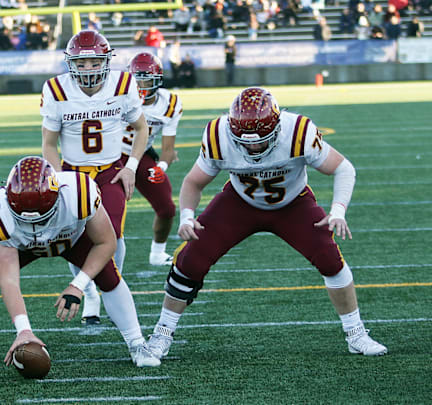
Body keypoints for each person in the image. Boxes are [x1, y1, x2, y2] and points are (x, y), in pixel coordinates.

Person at [146, 87, 388, 361]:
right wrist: (187, 216)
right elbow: (193, 182)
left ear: (276, 127)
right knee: (190, 260)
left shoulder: (298, 131)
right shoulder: (218, 135)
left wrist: (338, 210)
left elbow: (343, 168)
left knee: (330, 260)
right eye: (244, 141)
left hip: (293, 204)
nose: (252, 147)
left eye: (261, 140)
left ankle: (356, 334)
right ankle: (162, 334)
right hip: (238, 204)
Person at [0, 157, 160, 373]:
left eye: (43, 218)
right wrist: (24, 330)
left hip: (72, 238)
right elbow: (9, 279)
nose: (37, 227)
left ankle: (137, 343)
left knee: (109, 277)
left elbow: (107, 243)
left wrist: (78, 285)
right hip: (20, 245)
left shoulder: (80, 192)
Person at [40, 30, 149, 325]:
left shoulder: (123, 84)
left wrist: (131, 167)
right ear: (71, 63)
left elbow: (142, 129)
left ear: (106, 61)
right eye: (82, 63)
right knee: (76, 235)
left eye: (94, 62)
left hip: (111, 172)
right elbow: (49, 144)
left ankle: (109, 287)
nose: (88, 69)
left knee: (112, 234)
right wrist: (59, 180)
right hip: (73, 173)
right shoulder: (56, 90)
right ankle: (89, 294)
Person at [124, 52, 181, 266]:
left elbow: (168, 148)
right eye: (137, 80)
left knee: (166, 208)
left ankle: (157, 254)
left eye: (146, 79)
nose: (141, 85)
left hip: (141, 156)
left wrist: (162, 166)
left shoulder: (170, 103)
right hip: (112, 156)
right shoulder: (119, 95)